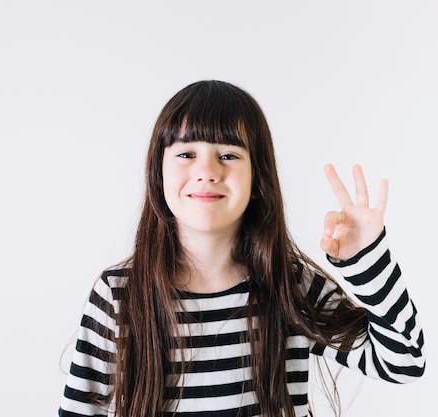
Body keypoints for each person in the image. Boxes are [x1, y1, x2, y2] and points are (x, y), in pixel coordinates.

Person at [58, 80, 425, 417]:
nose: (207, 171)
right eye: (186, 154)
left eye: (229, 155)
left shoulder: (290, 286)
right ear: (159, 171)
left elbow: (405, 361)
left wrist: (367, 259)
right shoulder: (118, 294)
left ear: (257, 176)